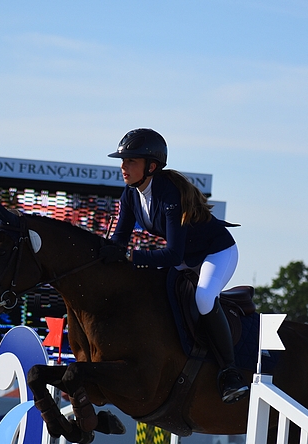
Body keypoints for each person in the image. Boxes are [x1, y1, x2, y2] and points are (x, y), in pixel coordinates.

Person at [104, 128, 249, 403]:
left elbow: (171, 255)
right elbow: (119, 242)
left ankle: (230, 373)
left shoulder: (169, 193)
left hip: (217, 253)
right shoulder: (130, 196)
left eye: (131, 161)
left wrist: (133, 257)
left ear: (151, 166)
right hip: (186, 258)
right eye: (123, 161)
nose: (123, 167)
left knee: (204, 298)